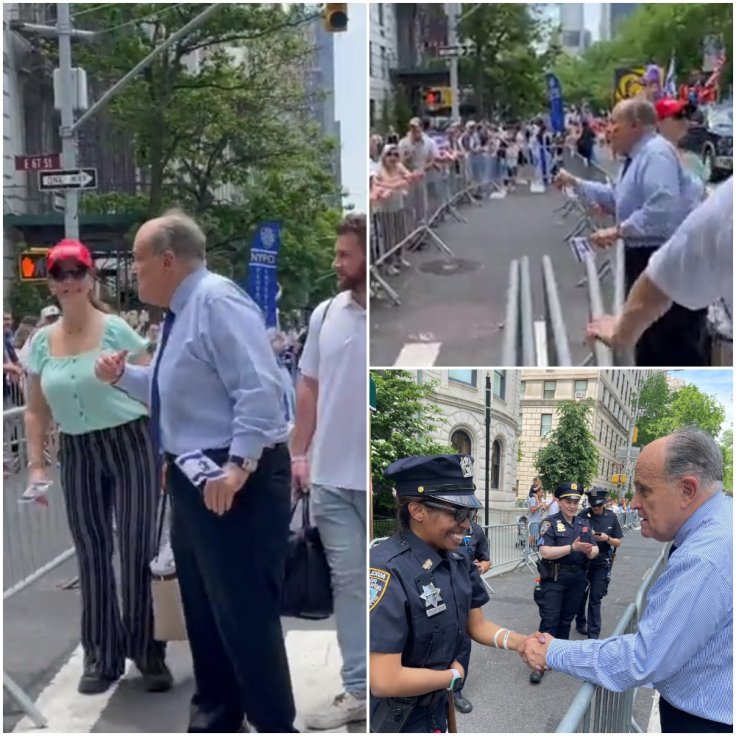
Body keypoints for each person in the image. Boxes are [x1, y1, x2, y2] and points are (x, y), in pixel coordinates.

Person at [94, 210, 296, 733]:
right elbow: (178, 393)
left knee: (244, 615)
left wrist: (238, 466)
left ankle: (274, 722)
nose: (132, 272)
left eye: (138, 261)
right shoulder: (179, 315)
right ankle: (216, 719)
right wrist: (126, 378)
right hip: (195, 477)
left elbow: (260, 391)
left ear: (167, 259)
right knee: (206, 614)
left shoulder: (216, 302)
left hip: (236, 480)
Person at [23, 239, 169, 694]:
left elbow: (154, 392)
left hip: (129, 443)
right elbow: (34, 409)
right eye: (59, 274)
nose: (68, 281)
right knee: (91, 553)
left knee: (136, 547)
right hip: (79, 451)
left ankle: (148, 652)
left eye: (76, 273)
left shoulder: (117, 332)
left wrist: (168, 451)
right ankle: (101, 656)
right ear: (50, 283)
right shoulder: (41, 343)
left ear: (90, 279)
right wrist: (36, 467)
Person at [519, 428, 732, 733]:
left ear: (687, 490)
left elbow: (642, 659)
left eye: (645, 490)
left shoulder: (705, 558)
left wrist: (553, 651)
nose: (633, 504)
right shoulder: (720, 530)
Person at [370, 454, 546, 732]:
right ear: (417, 511)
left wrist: (523, 642)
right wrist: (451, 677)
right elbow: (384, 680)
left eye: (470, 514)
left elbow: (477, 625)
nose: (467, 524)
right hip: (398, 718)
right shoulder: (385, 570)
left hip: (437, 706)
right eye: (458, 512)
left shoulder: (457, 560)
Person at [554, 98, 707, 366]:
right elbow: (616, 197)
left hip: (665, 257)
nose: (607, 130)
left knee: (670, 345)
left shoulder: (655, 154)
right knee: (649, 340)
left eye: (614, 123)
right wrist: (576, 183)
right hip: (649, 256)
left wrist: (618, 230)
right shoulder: (637, 158)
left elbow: (661, 209)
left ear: (636, 126)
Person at [291, 214, 367, 730]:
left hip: (382, 479)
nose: (336, 263)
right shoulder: (325, 314)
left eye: (344, 255)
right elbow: (309, 388)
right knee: (349, 584)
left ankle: (401, 674)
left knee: (389, 581)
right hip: (332, 478)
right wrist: (300, 454)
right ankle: (359, 689)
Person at [587, 176, 732, 351]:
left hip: (659, 255)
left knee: (669, 349)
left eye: (610, 144)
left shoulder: (656, 154)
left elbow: (660, 279)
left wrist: (621, 333)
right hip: (672, 266)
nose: (610, 147)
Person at [530, 481, 598, 685]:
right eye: (568, 501)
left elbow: (595, 551)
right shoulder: (550, 522)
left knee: (567, 619)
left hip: (577, 579)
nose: (572, 505)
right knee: (550, 619)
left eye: (576, 502)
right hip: (555, 579)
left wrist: (589, 551)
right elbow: (545, 552)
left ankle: (558, 656)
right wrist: (573, 547)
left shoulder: (583, 525)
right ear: (559, 502)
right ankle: (539, 662)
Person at [452, 519, 491, 714]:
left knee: (463, 644)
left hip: (465, 592)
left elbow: (486, 560)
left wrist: (480, 568)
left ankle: (456, 692)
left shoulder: (476, 531)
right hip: (436, 588)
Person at [574, 488, 623, 639]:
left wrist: (607, 539)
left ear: (604, 503)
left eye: (598, 505)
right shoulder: (583, 515)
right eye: (593, 505)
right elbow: (575, 536)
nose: (596, 508)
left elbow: (618, 542)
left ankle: (593, 635)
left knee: (595, 598)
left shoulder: (611, 516)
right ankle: (580, 622)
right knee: (581, 595)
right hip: (584, 560)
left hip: (601, 562)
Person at [526, 478, 545, 549]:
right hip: (533, 520)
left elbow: (541, 511)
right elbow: (532, 510)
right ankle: (528, 549)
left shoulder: (539, 499)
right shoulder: (533, 498)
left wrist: (542, 509)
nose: (542, 494)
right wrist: (539, 506)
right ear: (537, 492)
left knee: (534, 535)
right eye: (541, 492)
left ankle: (532, 548)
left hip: (537, 520)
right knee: (532, 535)